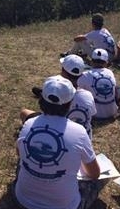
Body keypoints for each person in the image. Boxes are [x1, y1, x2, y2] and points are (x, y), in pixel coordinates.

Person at [15, 75, 101, 209]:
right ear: (70, 103)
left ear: (42, 100)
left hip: (23, 199)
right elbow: (94, 173)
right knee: (96, 182)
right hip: (65, 205)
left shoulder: (28, 124)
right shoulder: (79, 132)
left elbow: (19, 154)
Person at [23, 54, 97, 139]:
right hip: (82, 138)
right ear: (80, 75)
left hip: (58, 132)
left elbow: (49, 115)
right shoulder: (88, 95)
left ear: (63, 70)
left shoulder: (60, 97)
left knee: (24, 113)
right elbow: (92, 115)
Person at [78, 49, 118, 120]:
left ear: (91, 61)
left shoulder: (85, 75)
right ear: (106, 63)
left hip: (95, 114)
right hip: (112, 111)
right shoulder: (110, 72)